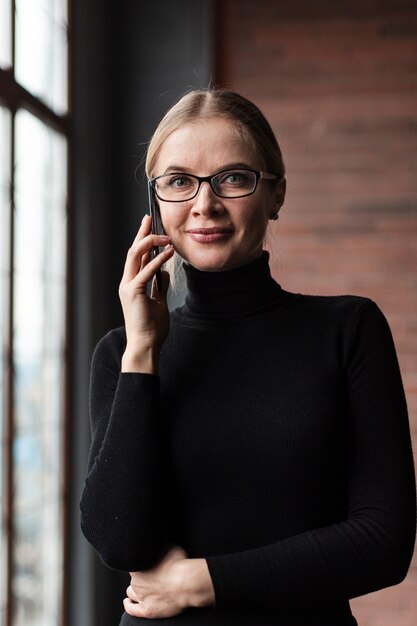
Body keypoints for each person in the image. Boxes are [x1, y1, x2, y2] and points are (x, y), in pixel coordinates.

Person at [80, 88, 416, 626]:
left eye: (233, 178)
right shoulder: (123, 352)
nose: (204, 204)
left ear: (276, 195)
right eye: (179, 181)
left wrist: (203, 582)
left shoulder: (347, 330)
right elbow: (121, 541)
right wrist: (143, 351)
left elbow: (384, 541)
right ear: (157, 201)